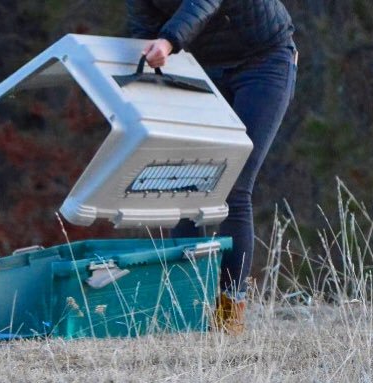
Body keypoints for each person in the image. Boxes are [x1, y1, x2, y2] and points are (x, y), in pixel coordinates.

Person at [127, 0, 297, 335]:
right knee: (185, 185)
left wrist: (168, 40)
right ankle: (190, 309)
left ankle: (229, 313)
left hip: (264, 59)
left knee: (232, 185)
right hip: (202, 70)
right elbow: (143, 33)